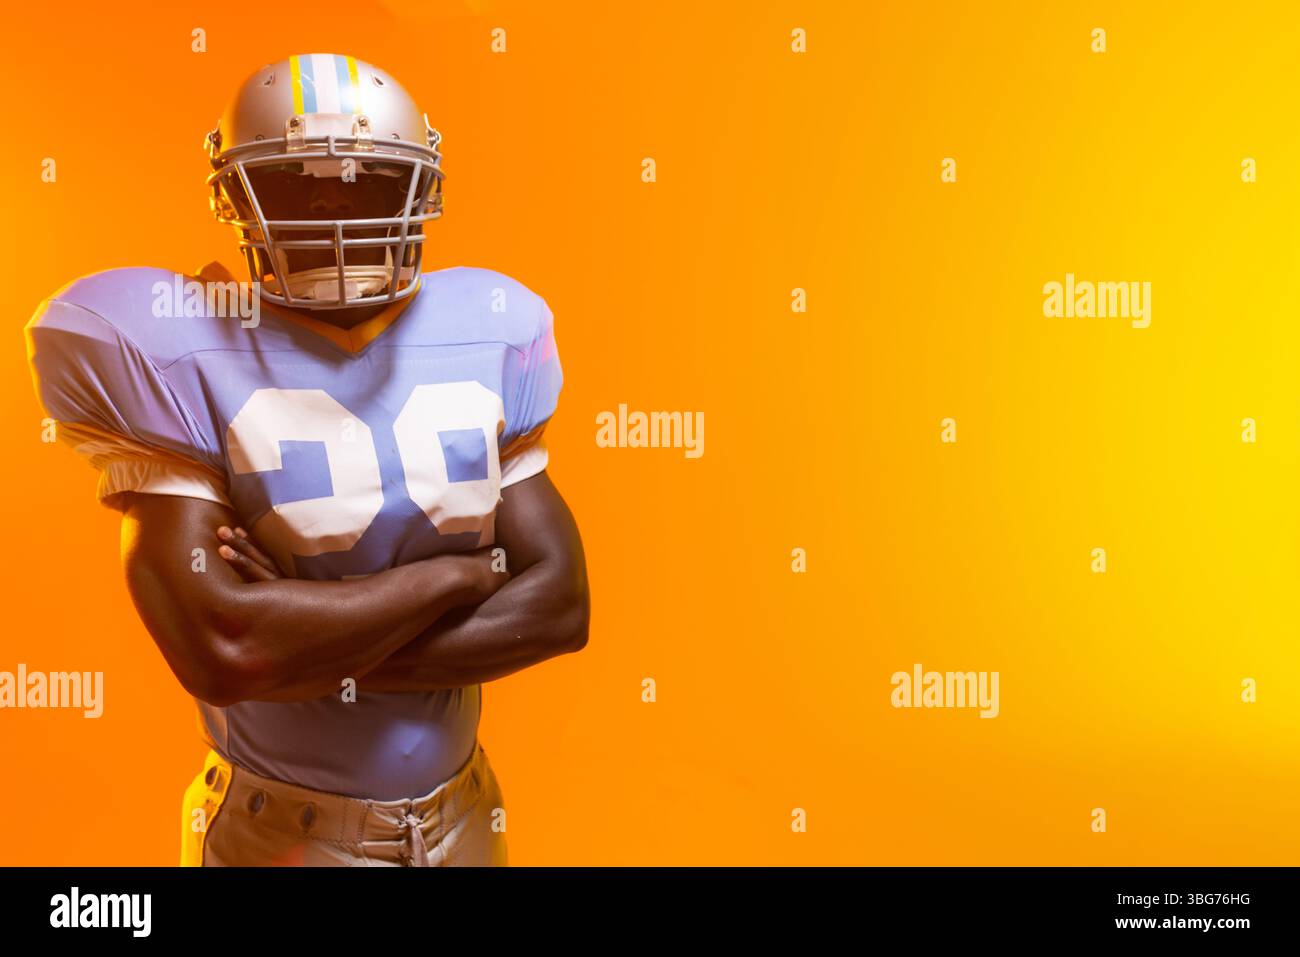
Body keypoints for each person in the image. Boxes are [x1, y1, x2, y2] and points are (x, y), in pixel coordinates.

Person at [25, 53, 589, 867]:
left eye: (363, 177)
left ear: (418, 188)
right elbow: (225, 648)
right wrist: (456, 578)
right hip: (284, 835)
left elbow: (561, 607)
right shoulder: (172, 344)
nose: (331, 201)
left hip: (468, 814)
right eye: (296, 179)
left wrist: (306, 625)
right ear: (233, 194)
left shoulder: (491, 326)